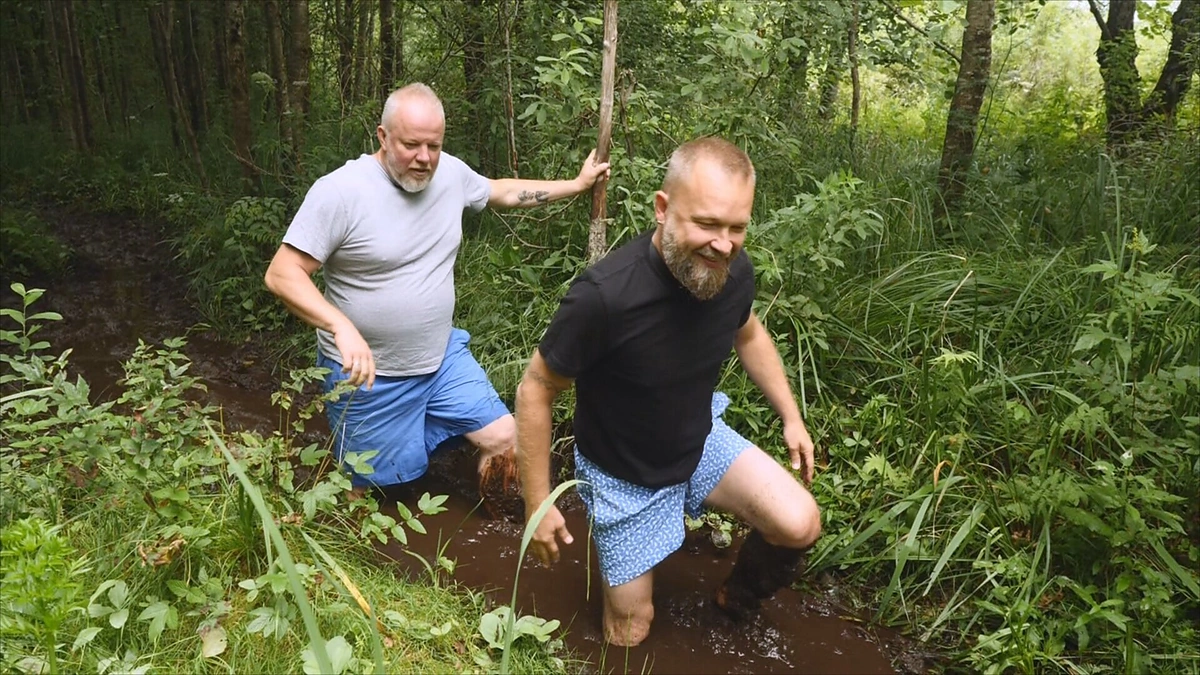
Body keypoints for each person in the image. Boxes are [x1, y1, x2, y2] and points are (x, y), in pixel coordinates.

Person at [514, 137, 821, 646]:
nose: (723, 244)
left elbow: (748, 332)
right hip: (623, 476)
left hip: (696, 442)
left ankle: (734, 601)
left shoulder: (732, 271)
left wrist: (790, 415)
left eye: (737, 228)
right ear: (663, 209)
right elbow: (535, 391)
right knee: (631, 631)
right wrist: (538, 505)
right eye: (707, 224)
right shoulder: (604, 297)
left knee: (799, 522)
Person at [265, 83, 610, 498]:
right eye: (411, 145)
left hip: (440, 358)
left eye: (434, 145)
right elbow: (282, 273)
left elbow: (501, 190)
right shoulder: (340, 192)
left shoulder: (450, 173)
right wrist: (340, 325)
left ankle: (492, 537)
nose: (424, 158)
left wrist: (575, 184)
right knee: (370, 495)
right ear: (382, 136)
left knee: (509, 440)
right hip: (372, 376)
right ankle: (376, 480)